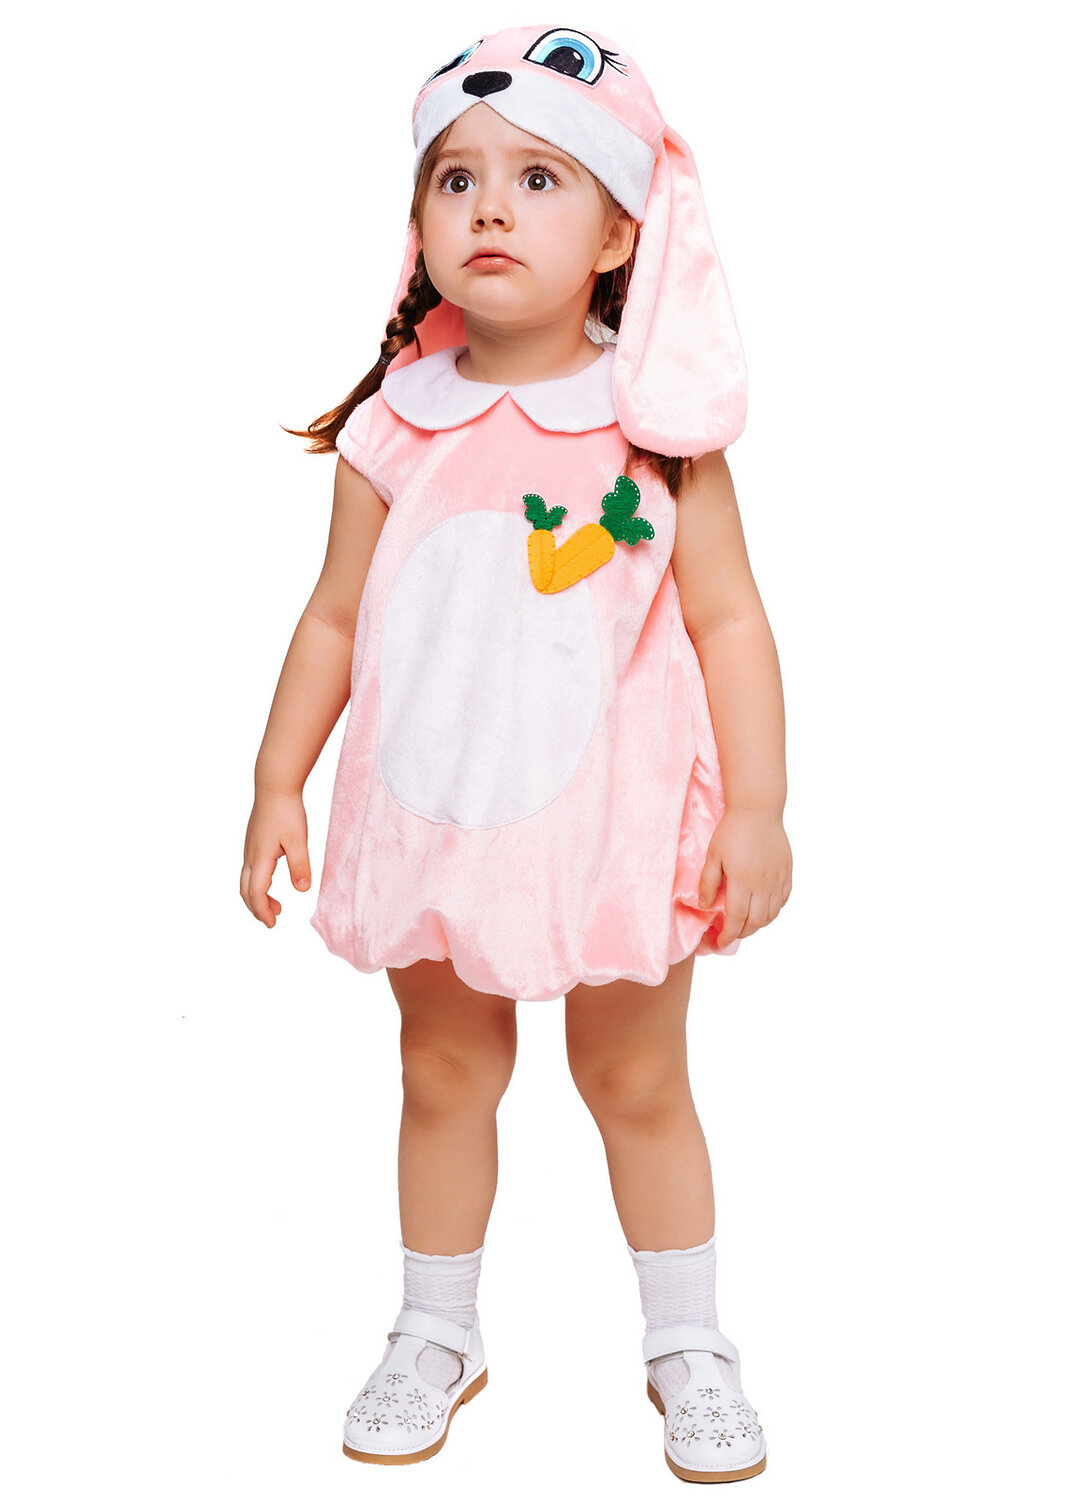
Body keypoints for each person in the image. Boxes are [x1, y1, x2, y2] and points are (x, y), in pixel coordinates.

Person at [241, 21, 791, 1484]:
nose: (491, 207)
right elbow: (333, 618)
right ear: (420, 223)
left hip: (614, 825)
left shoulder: (657, 429)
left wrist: (757, 807)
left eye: (541, 178)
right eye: (458, 178)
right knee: (441, 1069)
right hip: (435, 814)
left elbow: (728, 621)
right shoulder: (396, 427)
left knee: (636, 1080)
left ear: (619, 233)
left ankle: (688, 1339)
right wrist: (277, 781)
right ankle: (437, 1326)